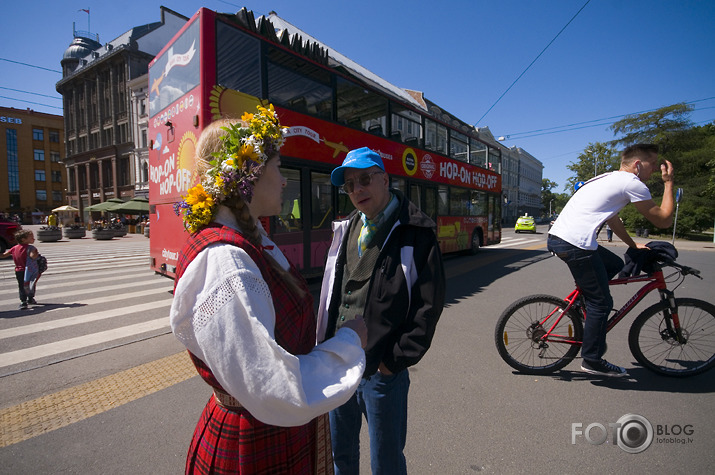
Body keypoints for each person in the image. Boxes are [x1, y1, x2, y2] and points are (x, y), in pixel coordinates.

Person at [169, 106, 368, 474]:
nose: (284, 179)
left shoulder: (251, 241)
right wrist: (348, 342)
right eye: (277, 166)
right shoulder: (227, 262)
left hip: (269, 430)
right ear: (249, 173)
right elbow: (271, 385)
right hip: (254, 439)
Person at [318, 147, 446, 474]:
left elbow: (428, 306)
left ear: (385, 179)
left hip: (381, 372)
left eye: (364, 179)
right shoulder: (346, 228)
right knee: (340, 456)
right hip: (337, 363)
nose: (357, 190)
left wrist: (393, 362)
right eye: (349, 185)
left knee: (386, 462)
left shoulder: (416, 232)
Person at [547, 144, 674, 377]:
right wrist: (668, 183)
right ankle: (592, 360)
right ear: (637, 164)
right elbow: (664, 220)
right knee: (602, 303)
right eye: (653, 163)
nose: (655, 169)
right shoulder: (631, 183)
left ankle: (581, 305)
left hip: (562, 239)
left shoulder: (607, 179)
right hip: (575, 244)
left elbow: (613, 220)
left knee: (615, 264)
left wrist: (632, 244)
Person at [1, 229, 40, 309]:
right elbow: (33, 256)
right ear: (23, 239)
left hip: (19, 271)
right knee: (31, 285)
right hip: (29, 271)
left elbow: (4, 255)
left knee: (22, 286)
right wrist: (36, 254)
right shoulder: (31, 248)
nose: (33, 238)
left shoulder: (14, 248)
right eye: (31, 237)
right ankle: (30, 299)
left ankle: (23, 301)